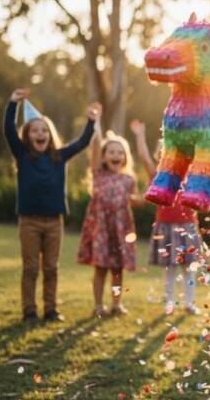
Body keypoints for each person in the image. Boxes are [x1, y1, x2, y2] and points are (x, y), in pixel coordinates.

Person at [4, 89, 98, 322]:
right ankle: (29, 310)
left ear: (50, 134)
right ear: (27, 136)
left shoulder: (59, 156)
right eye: (35, 130)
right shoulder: (22, 155)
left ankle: (51, 309)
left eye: (44, 130)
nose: (40, 134)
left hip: (54, 220)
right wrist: (12, 105)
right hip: (29, 220)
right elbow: (7, 131)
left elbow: (83, 142)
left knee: (51, 268)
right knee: (30, 268)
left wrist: (91, 121)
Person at [130, 120, 201, 316]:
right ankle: (169, 302)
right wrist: (140, 134)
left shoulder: (189, 173)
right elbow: (143, 156)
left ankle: (189, 303)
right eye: (164, 152)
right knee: (169, 269)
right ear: (158, 156)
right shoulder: (157, 176)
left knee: (189, 268)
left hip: (187, 226)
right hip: (166, 227)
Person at [77, 128, 140, 317]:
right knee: (100, 268)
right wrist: (95, 126)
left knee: (118, 269)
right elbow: (95, 148)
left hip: (121, 228)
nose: (116, 155)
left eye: (120, 152)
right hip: (101, 228)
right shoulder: (98, 175)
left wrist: (147, 198)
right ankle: (98, 305)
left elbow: (132, 199)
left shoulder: (129, 179)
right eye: (111, 152)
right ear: (103, 157)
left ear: (125, 157)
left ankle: (116, 304)